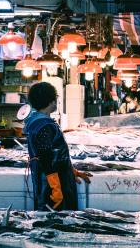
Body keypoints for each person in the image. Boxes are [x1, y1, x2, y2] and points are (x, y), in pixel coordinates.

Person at [24, 82, 91, 210]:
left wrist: (71, 171)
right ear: (51, 101)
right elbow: (45, 157)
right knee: (55, 224)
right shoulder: (44, 125)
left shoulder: (37, 121)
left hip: (55, 180)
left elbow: (54, 154)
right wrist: (56, 188)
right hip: (52, 187)